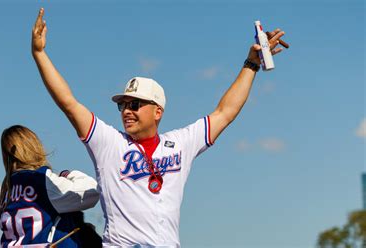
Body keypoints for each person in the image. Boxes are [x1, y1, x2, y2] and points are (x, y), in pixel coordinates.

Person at [31, 8, 288, 247]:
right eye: (123, 105)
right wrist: (40, 55)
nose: (127, 110)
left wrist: (251, 64)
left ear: (157, 111)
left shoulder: (180, 143)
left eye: (135, 104)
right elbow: (69, 103)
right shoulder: (108, 142)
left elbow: (225, 112)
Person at [0, 125, 100, 247]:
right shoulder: (42, 180)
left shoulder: (6, 191)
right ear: (34, 146)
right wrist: (67, 174)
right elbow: (92, 192)